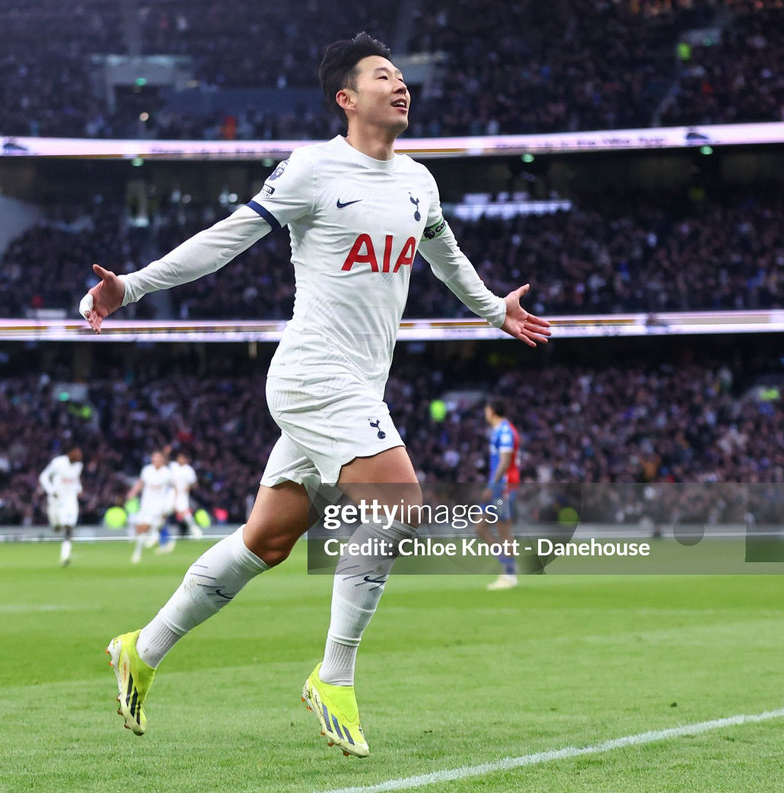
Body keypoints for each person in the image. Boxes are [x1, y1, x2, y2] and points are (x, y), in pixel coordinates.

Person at [80, 33, 550, 757]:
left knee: (266, 541)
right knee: (396, 501)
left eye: (402, 78)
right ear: (346, 97)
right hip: (312, 372)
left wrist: (493, 308)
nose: (401, 87)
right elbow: (228, 236)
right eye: (383, 76)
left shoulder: (420, 181)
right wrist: (132, 286)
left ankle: (142, 646)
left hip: (357, 384)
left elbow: (443, 251)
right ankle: (334, 675)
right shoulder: (313, 168)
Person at [474, 399, 521, 590]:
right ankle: (508, 564)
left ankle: (509, 575)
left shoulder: (505, 431)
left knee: (504, 531)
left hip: (503, 487)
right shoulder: (499, 431)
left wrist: (493, 485)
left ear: (492, 411)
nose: (485, 413)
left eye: (486, 409)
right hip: (498, 486)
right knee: (479, 527)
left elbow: (505, 460)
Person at [122, 450, 173, 564]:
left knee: (144, 527)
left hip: (159, 506)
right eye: (153, 458)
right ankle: (139, 550)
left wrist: (170, 504)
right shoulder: (147, 470)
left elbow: (172, 488)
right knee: (140, 529)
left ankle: (153, 537)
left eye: (157, 458)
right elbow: (140, 483)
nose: (154, 460)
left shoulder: (167, 473)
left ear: (162, 460)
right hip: (145, 504)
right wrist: (132, 493)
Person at [39, 447, 83, 567]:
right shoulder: (58, 463)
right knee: (57, 527)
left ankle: (65, 555)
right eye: (77, 453)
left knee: (68, 527)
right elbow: (43, 476)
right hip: (56, 500)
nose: (79, 455)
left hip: (70, 500)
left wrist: (79, 489)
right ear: (70, 453)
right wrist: (51, 490)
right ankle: (57, 526)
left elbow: (75, 480)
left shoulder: (79, 466)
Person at [169, 452, 203, 541]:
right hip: (171, 493)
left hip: (182, 495)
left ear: (185, 459)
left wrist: (188, 487)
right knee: (164, 511)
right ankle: (155, 533)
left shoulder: (188, 470)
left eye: (181, 457)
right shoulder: (174, 466)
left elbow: (195, 484)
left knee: (185, 513)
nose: (179, 459)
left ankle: (195, 531)